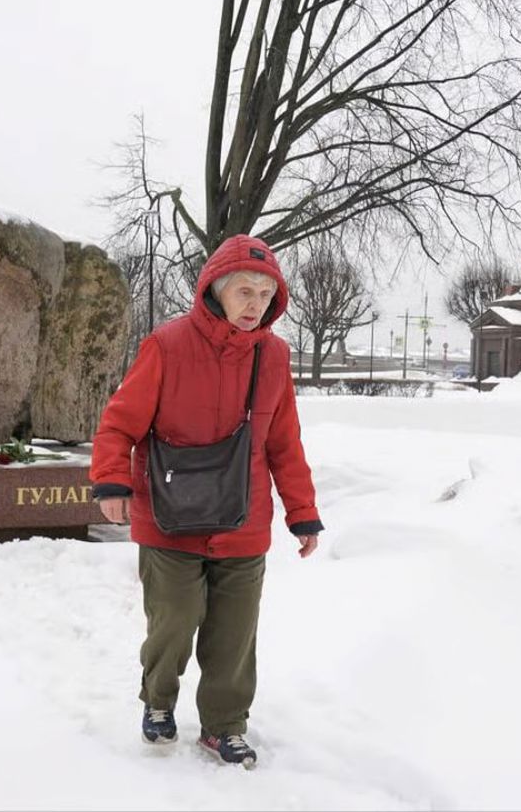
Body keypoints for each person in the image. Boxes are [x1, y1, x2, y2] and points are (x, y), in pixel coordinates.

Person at [89, 234, 324, 770]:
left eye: (265, 294)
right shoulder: (167, 345)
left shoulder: (274, 356)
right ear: (215, 289)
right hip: (169, 517)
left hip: (244, 520)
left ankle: (224, 725)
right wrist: (111, 481)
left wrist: (302, 512)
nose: (255, 304)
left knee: (234, 635)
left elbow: (284, 442)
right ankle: (158, 701)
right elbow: (120, 423)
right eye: (244, 291)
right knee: (174, 618)